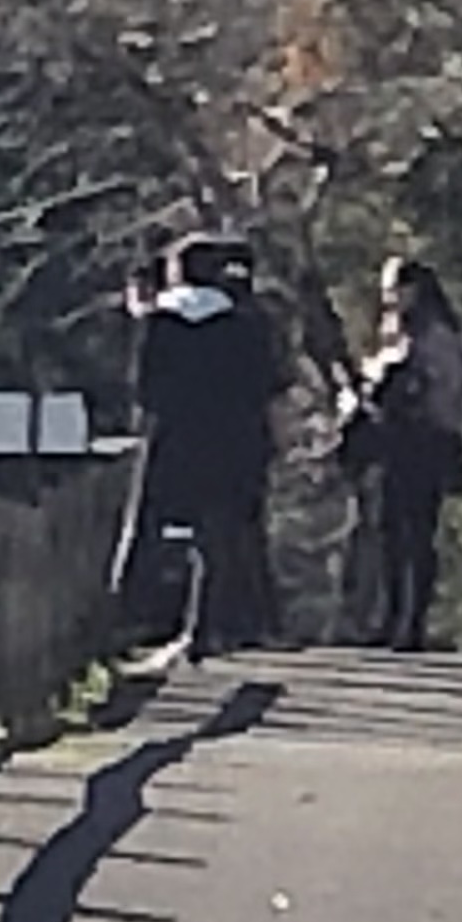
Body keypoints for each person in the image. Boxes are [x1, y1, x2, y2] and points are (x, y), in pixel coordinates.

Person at [132, 234, 283, 656]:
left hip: (179, 438)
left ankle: (168, 620)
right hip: (235, 439)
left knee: (179, 531)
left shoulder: (161, 324)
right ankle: (222, 621)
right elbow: (266, 384)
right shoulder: (246, 324)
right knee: (228, 532)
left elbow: (146, 391)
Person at [339, 255, 462, 650]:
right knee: (389, 531)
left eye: (396, 288)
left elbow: (445, 390)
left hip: (423, 442)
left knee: (416, 531)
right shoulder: (394, 333)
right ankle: (390, 615)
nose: (390, 297)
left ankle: (413, 620)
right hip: (394, 441)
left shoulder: (435, 336)